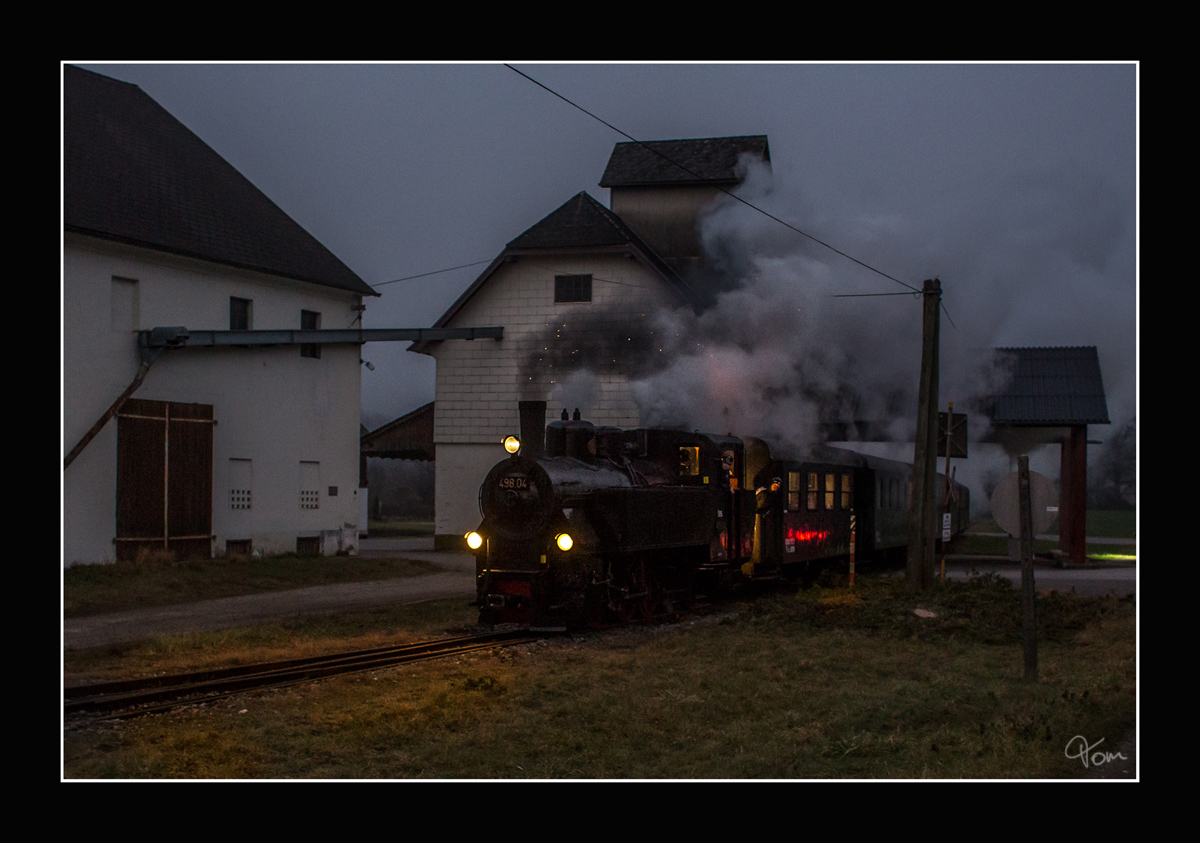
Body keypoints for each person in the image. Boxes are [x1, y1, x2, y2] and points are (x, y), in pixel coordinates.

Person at [748, 476, 783, 576]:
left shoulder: (775, 495)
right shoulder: (764, 494)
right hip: (763, 522)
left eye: (778, 485)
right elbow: (761, 504)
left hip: (770, 522)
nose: (776, 487)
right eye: (775, 484)